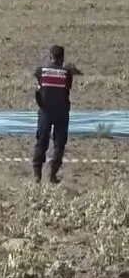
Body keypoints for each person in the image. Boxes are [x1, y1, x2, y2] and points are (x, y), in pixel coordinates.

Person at [32, 45, 80, 184]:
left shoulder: (40, 71)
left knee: (41, 141)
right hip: (62, 112)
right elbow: (67, 89)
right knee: (59, 143)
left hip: (45, 111)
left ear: (50, 57)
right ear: (63, 58)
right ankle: (52, 174)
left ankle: (37, 175)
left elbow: (37, 92)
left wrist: (41, 105)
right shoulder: (67, 74)